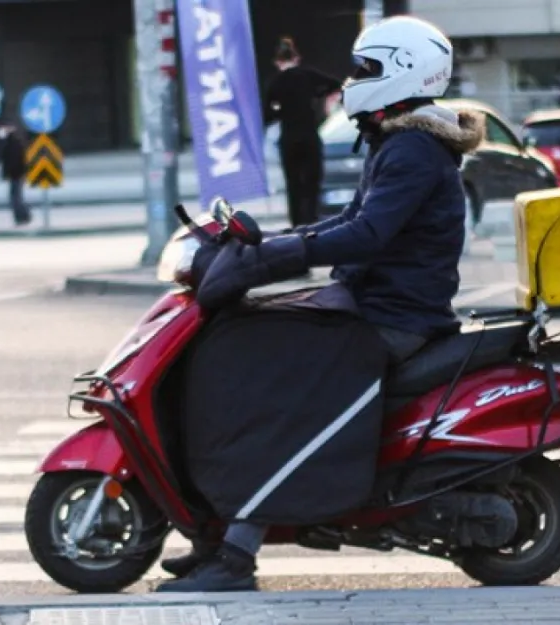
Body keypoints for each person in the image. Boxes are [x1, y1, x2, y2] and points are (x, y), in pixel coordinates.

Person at [156, 15, 484, 593]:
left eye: (366, 68)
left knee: (282, 391)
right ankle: (216, 533)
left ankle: (235, 556)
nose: (353, 78)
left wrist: (284, 255)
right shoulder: (400, 139)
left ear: (402, 72)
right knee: (242, 343)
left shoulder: (412, 149)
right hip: (369, 301)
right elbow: (351, 222)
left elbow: (367, 236)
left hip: (395, 317)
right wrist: (276, 242)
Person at [262, 36, 343, 229]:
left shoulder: (276, 83)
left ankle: (297, 225)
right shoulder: (308, 75)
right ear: (297, 58)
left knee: (294, 185)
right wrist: (316, 96)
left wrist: (280, 111)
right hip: (310, 137)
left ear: (277, 62)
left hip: (289, 140)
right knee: (312, 183)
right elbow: (334, 83)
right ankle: (312, 222)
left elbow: (267, 116)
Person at [0, 123, 32, 227]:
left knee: (15, 198)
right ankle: (23, 216)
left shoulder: (12, 144)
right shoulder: (12, 143)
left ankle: (22, 217)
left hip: (16, 174)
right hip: (17, 174)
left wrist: (8, 173)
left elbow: (12, 161)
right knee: (16, 197)